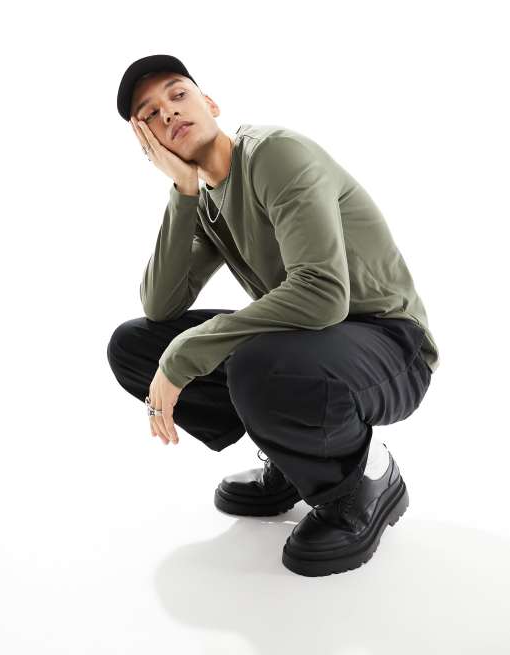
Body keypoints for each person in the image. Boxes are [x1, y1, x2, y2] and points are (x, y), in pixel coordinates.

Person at [108, 54, 440, 577]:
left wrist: (189, 351)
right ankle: (294, 458)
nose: (168, 112)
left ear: (209, 103)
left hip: (391, 344)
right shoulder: (207, 199)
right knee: (135, 346)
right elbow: (160, 305)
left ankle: (364, 481)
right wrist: (184, 192)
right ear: (146, 142)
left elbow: (323, 293)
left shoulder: (274, 155)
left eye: (178, 94)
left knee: (253, 362)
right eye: (150, 114)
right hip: (312, 339)